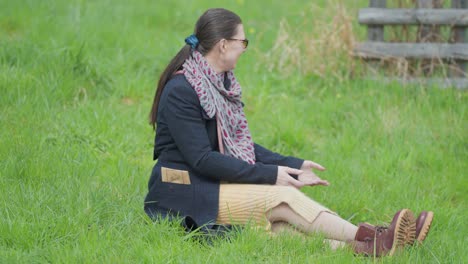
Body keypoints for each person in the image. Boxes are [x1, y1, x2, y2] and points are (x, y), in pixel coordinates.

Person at [144, 8, 433, 257]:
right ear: (222, 45)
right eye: (242, 41)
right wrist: (273, 175)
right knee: (281, 197)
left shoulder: (217, 84)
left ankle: (369, 247)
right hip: (182, 193)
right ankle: (377, 240)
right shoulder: (183, 89)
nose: (244, 47)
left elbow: (236, 145)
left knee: (279, 226)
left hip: (208, 184)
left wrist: (292, 164)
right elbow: (203, 159)